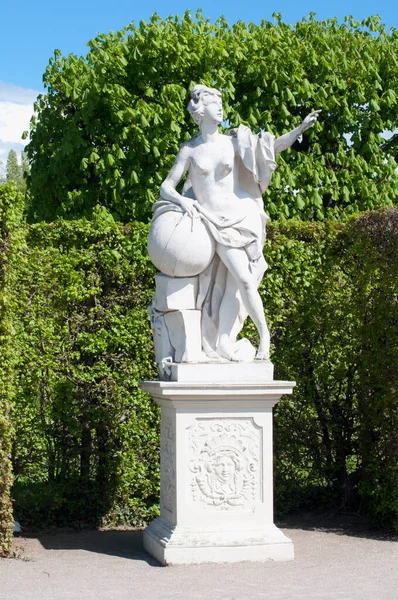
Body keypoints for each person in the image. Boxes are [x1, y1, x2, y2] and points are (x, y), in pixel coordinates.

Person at [157, 84, 320, 361]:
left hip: (242, 217)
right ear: (200, 110)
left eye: (221, 102)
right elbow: (166, 187)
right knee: (237, 282)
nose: (220, 107)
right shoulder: (190, 150)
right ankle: (227, 339)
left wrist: (300, 129)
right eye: (213, 102)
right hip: (211, 222)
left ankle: (257, 337)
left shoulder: (233, 142)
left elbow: (271, 148)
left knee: (240, 282)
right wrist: (185, 202)